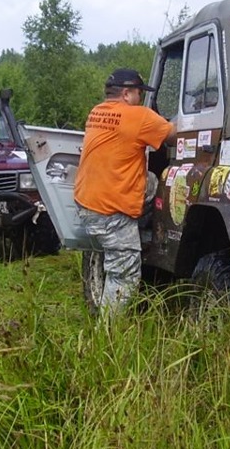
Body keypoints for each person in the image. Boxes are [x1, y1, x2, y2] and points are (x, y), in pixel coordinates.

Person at [74, 68, 176, 316]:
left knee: (153, 182)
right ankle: (105, 338)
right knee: (124, 277)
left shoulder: (96, 113)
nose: (141, 99)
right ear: (128, 93)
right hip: (112, 211)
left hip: (87, 201)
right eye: (140, 94)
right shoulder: (138, 116)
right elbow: (173, 135)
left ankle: (141, 227)